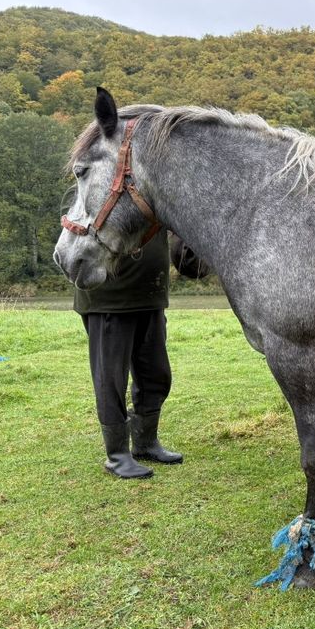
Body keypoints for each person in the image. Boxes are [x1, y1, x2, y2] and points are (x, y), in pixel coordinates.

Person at [62, 187, 183, 479]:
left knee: (156, 374)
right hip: (108, 301)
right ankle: (117, 456)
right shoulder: (96, 188)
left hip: (150, 296)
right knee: (111, 380)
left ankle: (145, 442)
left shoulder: (155, 188)